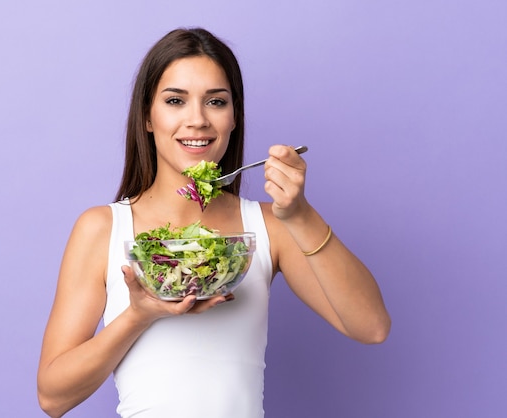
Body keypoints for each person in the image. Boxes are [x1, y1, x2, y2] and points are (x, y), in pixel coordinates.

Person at [37, 27, 391, 418]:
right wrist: (140, 313)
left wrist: (300, 215)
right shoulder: (103, 227)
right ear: (148, 118)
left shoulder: (269, 225)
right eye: (175, 100)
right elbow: (53, 398)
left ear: (234, 117)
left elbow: (371, 327)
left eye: (215, 102)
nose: (197, 120)